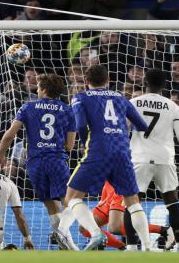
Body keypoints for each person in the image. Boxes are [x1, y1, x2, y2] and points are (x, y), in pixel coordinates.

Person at [57, 65, 151, 251]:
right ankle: (147, 247)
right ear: (108, 81)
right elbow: (142, 125)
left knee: (72, 197)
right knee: (132, 201)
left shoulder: (80, 97)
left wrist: (85, 142)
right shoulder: (121, 98)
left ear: (86, 81)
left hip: (98, 152)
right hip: (122, 153)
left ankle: (95, 233)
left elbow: (81, 124)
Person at [0, 73, 77, 248]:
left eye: (39, 88)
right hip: (56, 160)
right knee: (71, 201)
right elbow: (70, 146)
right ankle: (62, 232)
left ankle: (71, 247)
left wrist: (1, 155)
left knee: (51, 205)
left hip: (35, 162)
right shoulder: (67, 110)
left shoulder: (28, 107)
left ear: (44, 89)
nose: (38, 91)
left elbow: (10, 134)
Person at [127, 68, 179, 251]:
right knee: (172, 201)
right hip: (165, 158)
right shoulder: (173, 106)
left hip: (139, 158)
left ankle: (130, 246)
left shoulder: (133, 103)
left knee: (133, 203)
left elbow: (123, 131)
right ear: (165, 85)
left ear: (145, 82)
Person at [79, 181, 174, 250]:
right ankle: (121, 247)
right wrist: (103, 197)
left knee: (115, 228)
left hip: (120, 190)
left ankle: (163, 230)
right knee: (84, 227)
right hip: (108, 193)